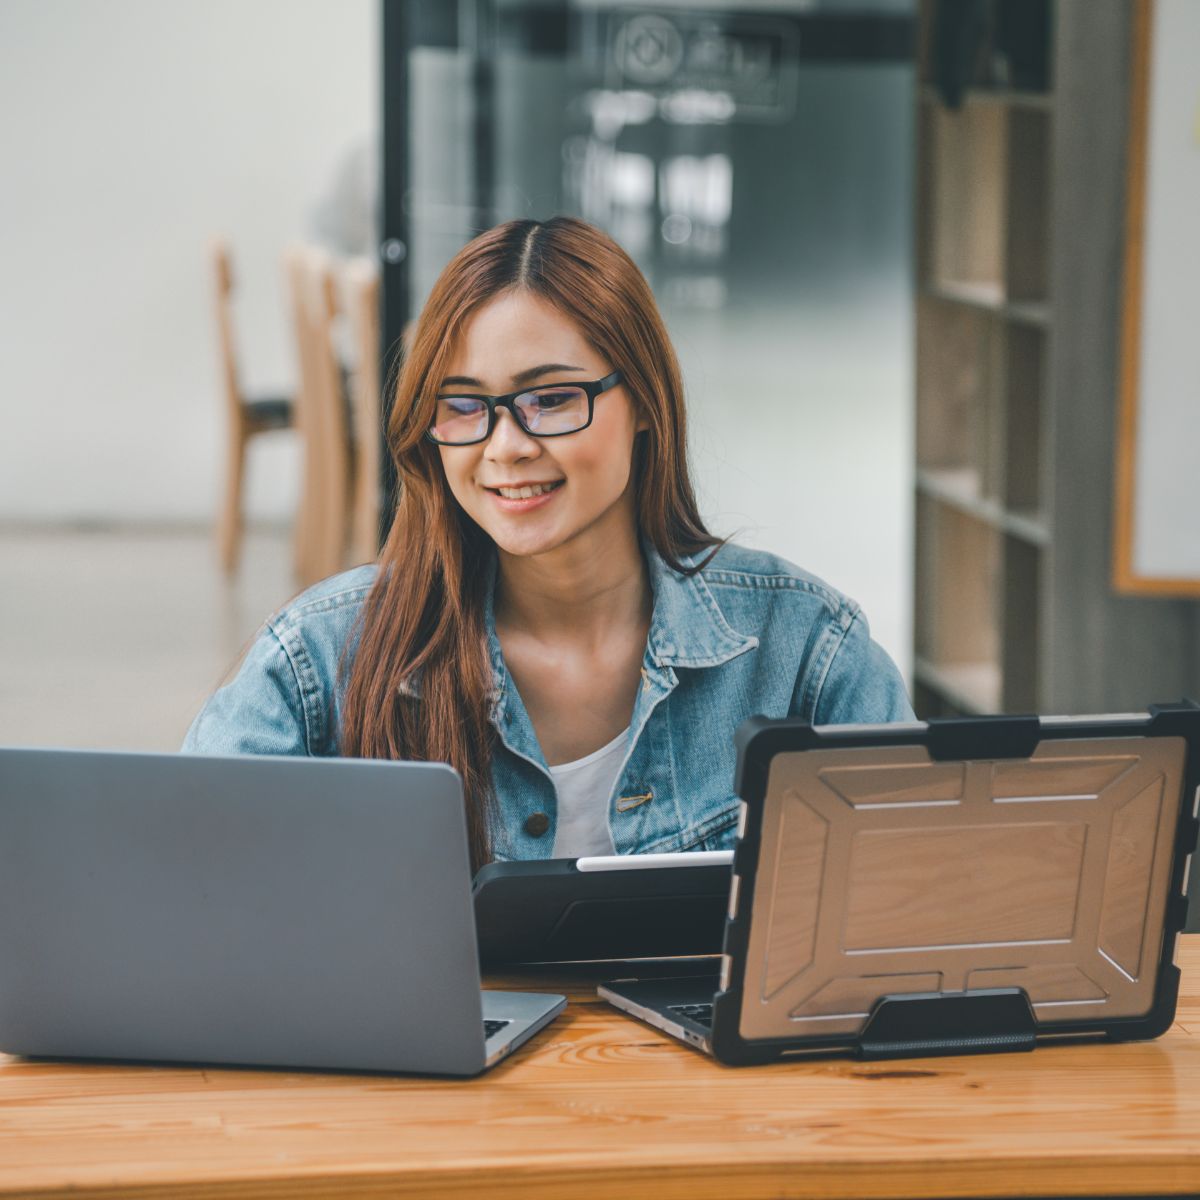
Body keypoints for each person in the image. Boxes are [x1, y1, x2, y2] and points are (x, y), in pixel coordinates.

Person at [184, 216, 913, 869]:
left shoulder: (802, 653)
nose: (506, 445)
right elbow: (181, 887)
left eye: (551, 399)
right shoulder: (319, 659)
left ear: (644, 405)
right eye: (463, 406)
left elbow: (924, 889)